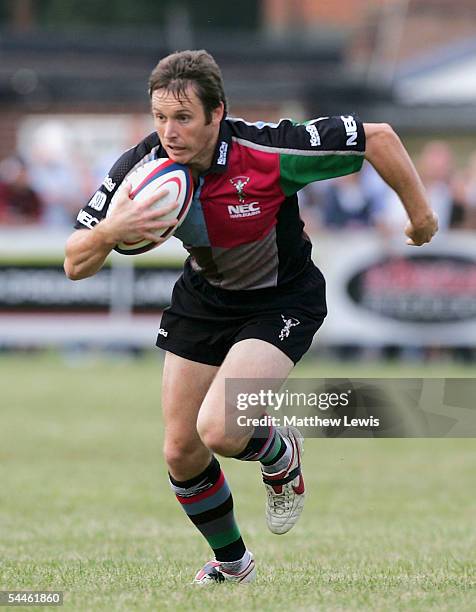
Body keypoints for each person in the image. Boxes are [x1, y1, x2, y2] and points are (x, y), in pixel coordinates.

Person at [64, 50, 438, 585]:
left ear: (218, 114)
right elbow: (75, 261)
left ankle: (280, 452)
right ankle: (233, 564)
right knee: (180, 449)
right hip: (205, 298)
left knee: (218, 428)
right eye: (160, 118)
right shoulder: (141, 169)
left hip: (281, 299)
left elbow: (376, 137)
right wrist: (109, 228)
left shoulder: (266, 149)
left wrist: (420, 216)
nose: (169, 132)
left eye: (184, 118)